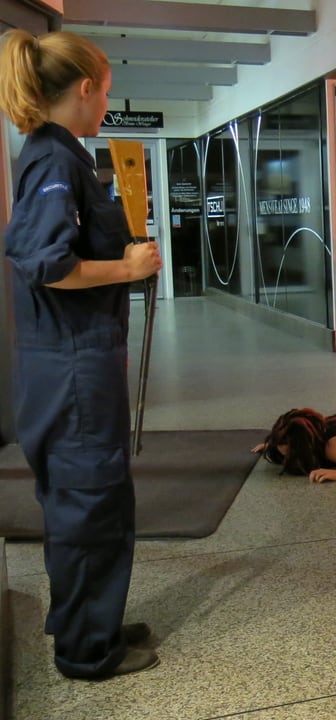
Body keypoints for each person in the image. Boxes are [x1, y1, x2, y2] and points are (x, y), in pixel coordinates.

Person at [0, 30, 163, 678]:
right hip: (71, 363)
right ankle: (85, 652)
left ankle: (90, 619)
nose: (106, 108)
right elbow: (45, 264)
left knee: (92, 497)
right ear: (87, 88)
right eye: (105, 93)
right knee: (88, 499)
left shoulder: (56, 154)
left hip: (75, 357)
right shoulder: (54, 158)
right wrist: (125, 270)